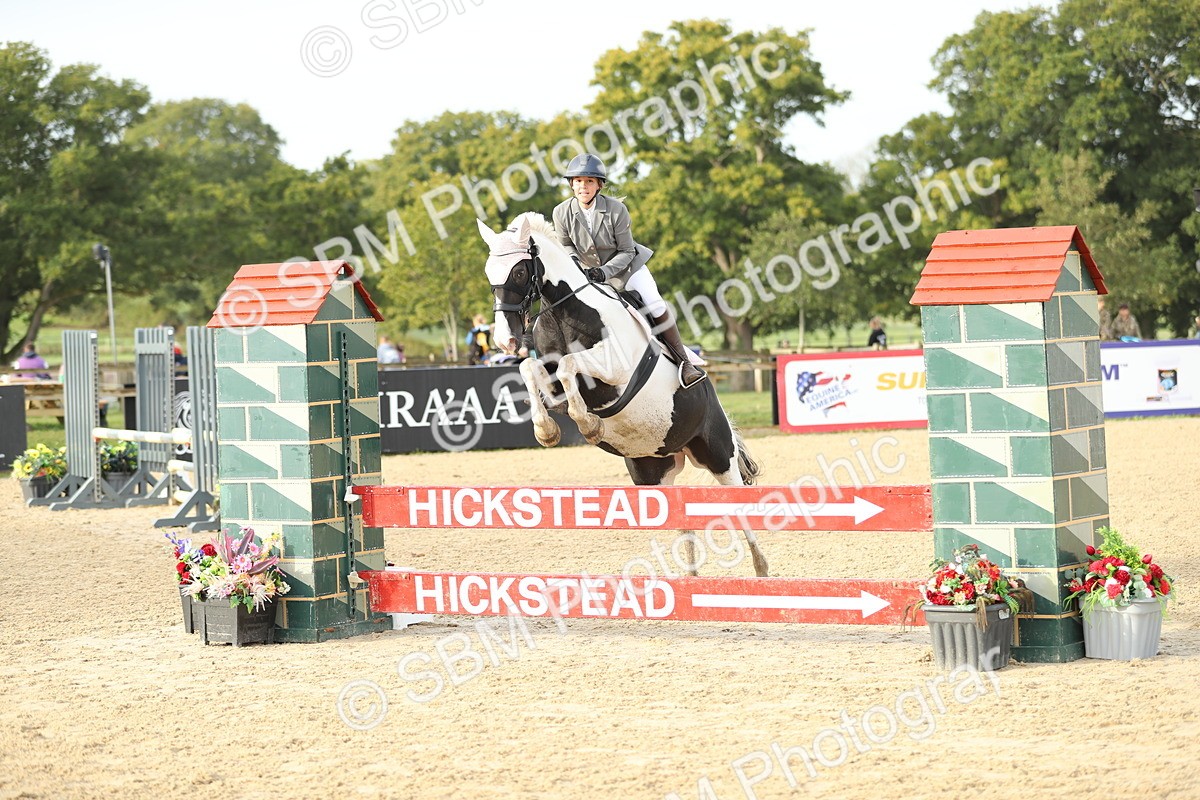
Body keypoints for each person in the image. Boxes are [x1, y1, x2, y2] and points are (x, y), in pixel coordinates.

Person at [551, 153, 706, 388]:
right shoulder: (561, 212)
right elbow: (567, 245)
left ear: (599, 185)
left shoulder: (616, 209)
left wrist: (604, 272)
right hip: (590, 274)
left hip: (627, 269)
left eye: (589, 181)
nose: (583, 186)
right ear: (571, 184)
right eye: (579, 181)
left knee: (655, 303)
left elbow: (626, 251)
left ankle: (684, 363)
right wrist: (577, 266)